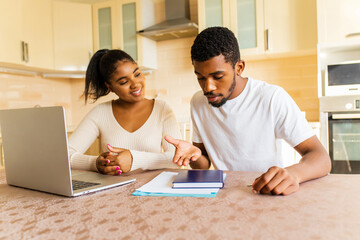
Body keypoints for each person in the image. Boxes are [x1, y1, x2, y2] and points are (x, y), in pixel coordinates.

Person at [165, 27, 331, 195]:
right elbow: (203, 165)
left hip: (267, 193)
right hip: (224, 194)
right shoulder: (198, 102)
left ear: (239, 67)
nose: (208, 87)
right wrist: (195, 155)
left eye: (217, 77)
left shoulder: (271, 97)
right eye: (200, 77)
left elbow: (321, 158)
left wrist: (294, 174)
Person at [69, 49, 181, 175]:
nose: (135, 84)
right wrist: (95, 163)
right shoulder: (100, 112)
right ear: (109, 87)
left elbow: (177, 158)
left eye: (137, 74)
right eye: (124, 82)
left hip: (153, 189)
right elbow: (66, 155)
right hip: (113, 191)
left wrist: (135, 159)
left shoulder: (162, 108)